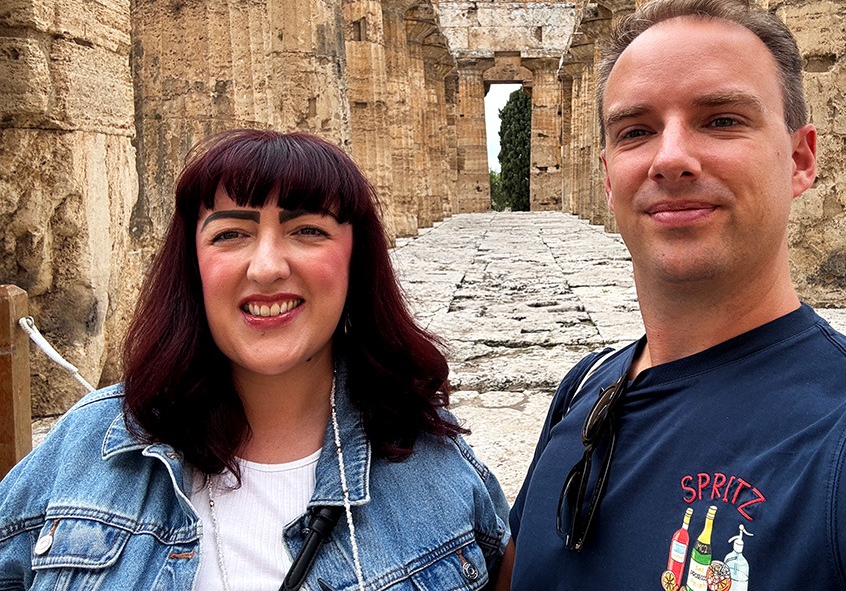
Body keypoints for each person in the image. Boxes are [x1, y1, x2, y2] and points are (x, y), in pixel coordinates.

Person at [506, 0, 846, 591]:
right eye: (635, 131)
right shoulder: (586, 388)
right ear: (607, 176)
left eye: (722, 120)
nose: (670, 158)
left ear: (801, 160)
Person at [0, 129, 510, 590]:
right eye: (230, 234)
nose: (266, 268)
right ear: (192, 265)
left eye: (308, 230)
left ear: (357, 262)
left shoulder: (434, 467)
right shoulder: (86, 450)